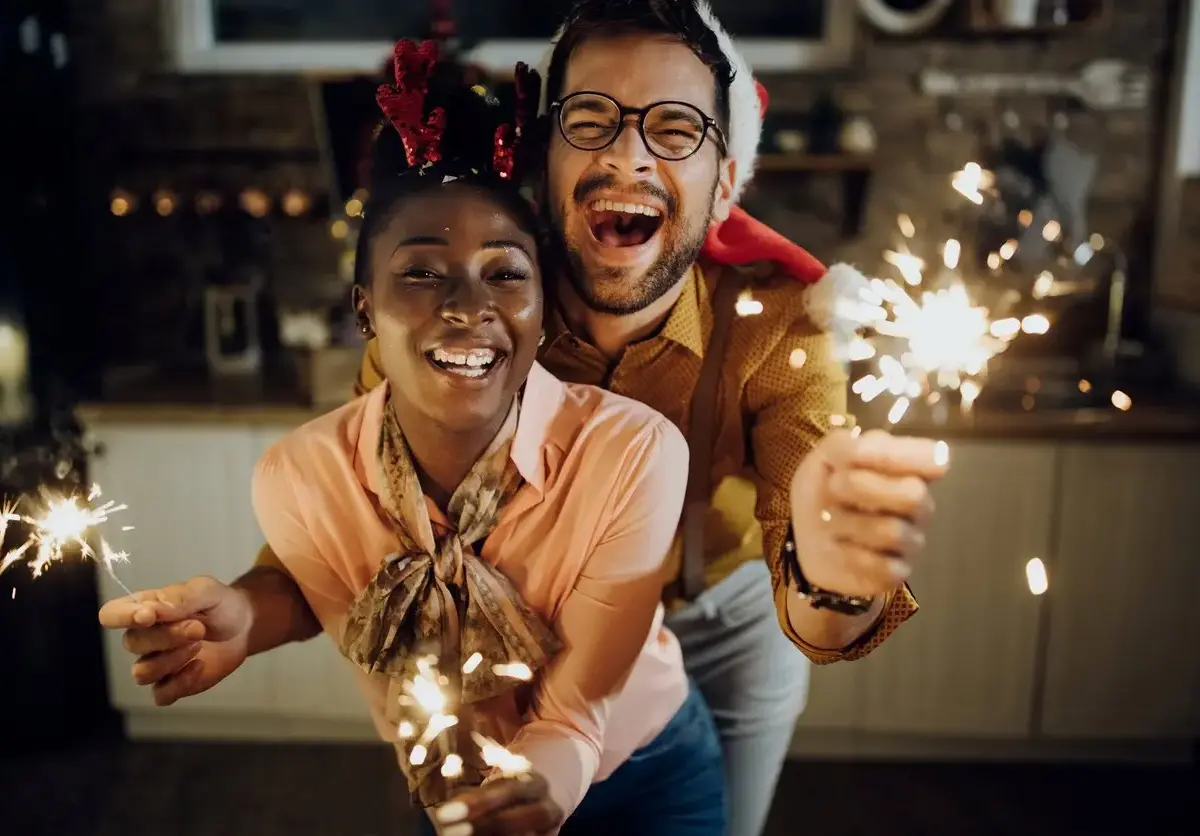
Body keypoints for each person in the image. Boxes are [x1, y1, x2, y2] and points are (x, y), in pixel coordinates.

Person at [101, 3, 949, 835]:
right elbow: (359, 523)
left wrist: (831, 570)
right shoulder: (464, 322)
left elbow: (821, 602)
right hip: (538, 633)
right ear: (543, 159)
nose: (627, 154)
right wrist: (247, 611)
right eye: (591, 120)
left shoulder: (782, 327)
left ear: (724, 182)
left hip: (727, 620)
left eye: (676, 130)